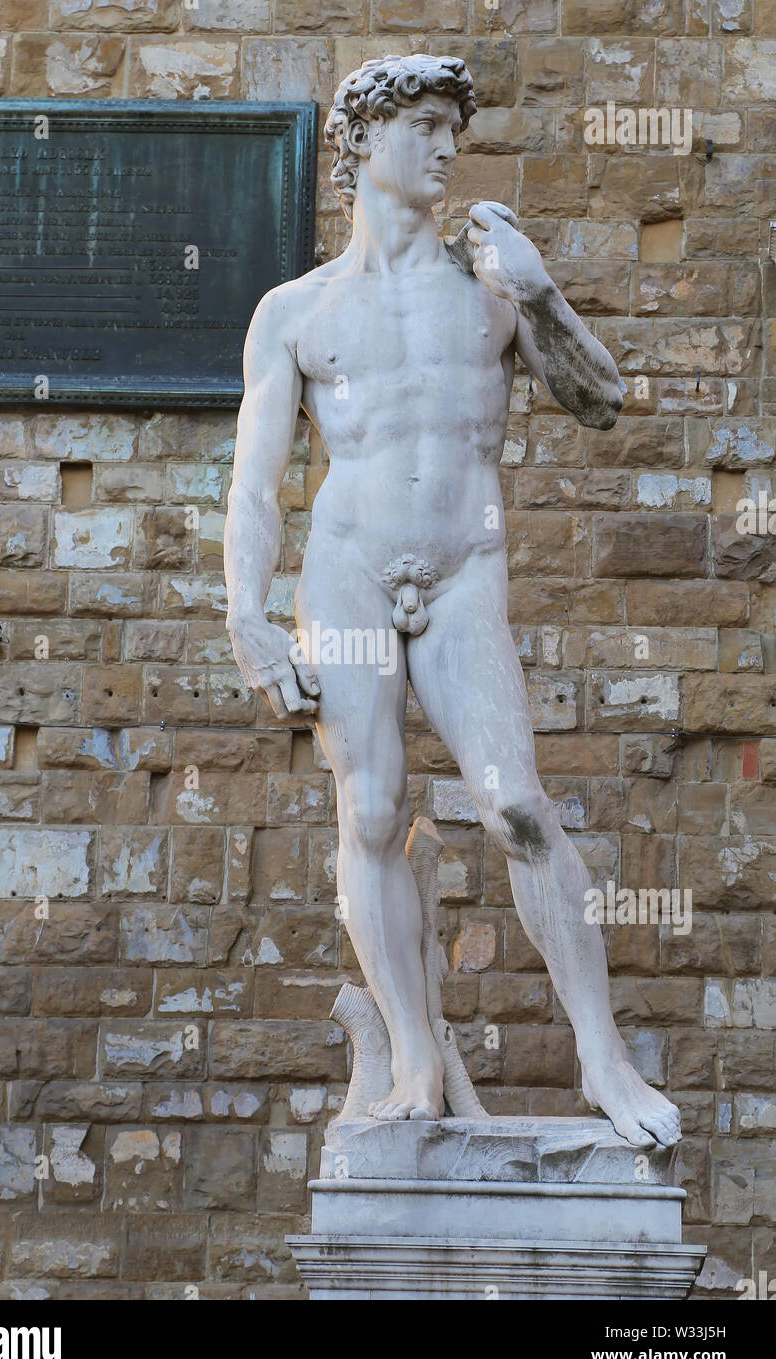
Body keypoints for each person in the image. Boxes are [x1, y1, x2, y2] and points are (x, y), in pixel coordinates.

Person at [223, 54, 681, 1148]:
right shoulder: (295, 310)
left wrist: (539, 291)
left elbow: (602, 400)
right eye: (424, 125)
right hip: (346, 574)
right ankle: (417, 1060)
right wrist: (246, 612)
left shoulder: (489, 287)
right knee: (371, 812)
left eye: (450, 127)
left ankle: (602, 1060)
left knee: (516, 804)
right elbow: (252, 482)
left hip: (463, 570)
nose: (444, 147)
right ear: (363, 144)